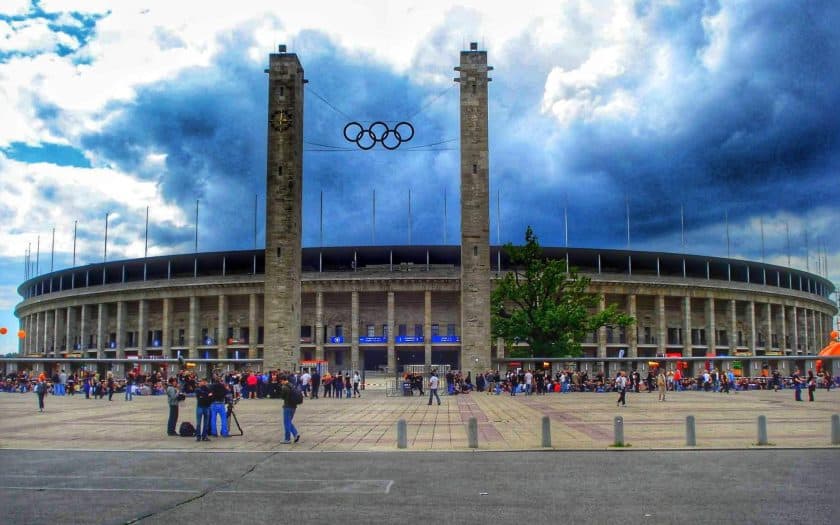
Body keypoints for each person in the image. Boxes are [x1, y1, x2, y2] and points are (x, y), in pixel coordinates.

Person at [278, 374, 301, 444]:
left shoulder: (285, 387)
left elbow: (282, 397)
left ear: (282, 380)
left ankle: (287, 439)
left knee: (286, 423)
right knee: (288, 422)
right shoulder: (292, 385)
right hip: (294, 406)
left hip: (287, 406)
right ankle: (295, 434)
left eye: (280, 381)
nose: (280, 382)